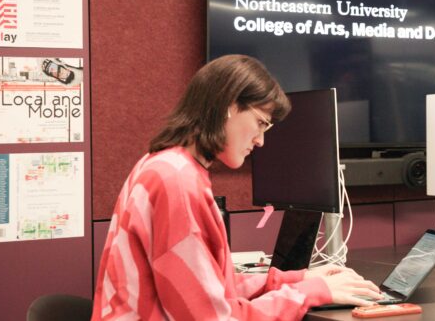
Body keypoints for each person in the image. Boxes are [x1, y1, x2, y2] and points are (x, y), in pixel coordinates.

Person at [92, 55, 382, 320]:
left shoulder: (160, 164)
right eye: (260, 123)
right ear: (230, 106)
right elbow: (214, 317)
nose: (260, 141)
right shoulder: (177, 182)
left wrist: (298, 279)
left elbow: (212, 287)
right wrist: (309, 293)